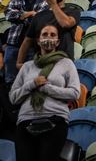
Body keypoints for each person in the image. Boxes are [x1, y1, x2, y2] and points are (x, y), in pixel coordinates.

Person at [9, 23, 80, 161]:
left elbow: (75, 93)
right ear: (38, 40)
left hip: (55, 120)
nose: (48, 38)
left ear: (58, 41)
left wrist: (46, 88)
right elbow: (13, 97)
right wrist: (31, 84)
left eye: (53, 35)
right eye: (45, 34)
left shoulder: (66, 63)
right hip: (26, 121)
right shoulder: (27, 66)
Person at [15, 0, 79, 69]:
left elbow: (66, 24)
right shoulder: (39, 15)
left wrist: (53, 4)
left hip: (63, 63)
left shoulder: (73, 11)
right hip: (41, 62)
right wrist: (19, 62)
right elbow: (27, 41)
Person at [4, 0, 47, 84]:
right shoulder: (15, 0)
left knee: (30, 80)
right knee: (10, 80)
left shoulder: (45, 3)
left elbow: (39, 21)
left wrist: (21, 16)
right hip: (13, 45)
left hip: (33, 47)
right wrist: (30, 14)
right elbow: (9, 15)